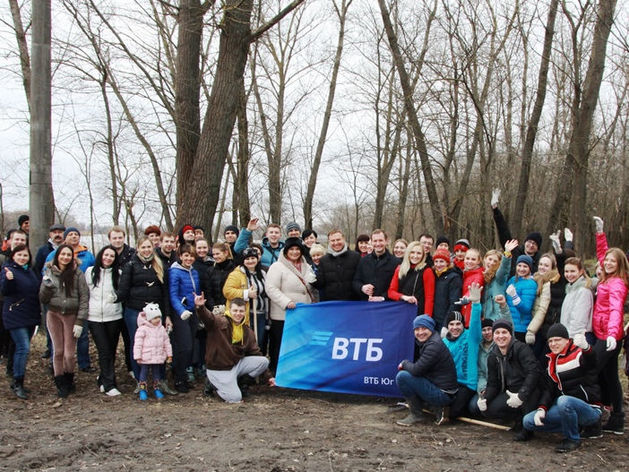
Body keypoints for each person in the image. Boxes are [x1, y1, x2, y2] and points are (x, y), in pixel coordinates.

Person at [523, 324, 602, 451]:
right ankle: (574, 426)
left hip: (589, 409)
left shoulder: (578, 353)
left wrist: (587, 348)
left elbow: (592, 362)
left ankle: (572, 439)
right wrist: (542, 409)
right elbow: (549, 389)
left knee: (564, 400)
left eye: (557, 340)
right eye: (550, 341)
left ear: (567, 340)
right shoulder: (551, 361)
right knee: (528, 421)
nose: (553, 344)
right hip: (565, 409)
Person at [196, 295, 275, 403]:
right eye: (235, 310)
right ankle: (212, 383)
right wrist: (201, 307)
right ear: (229, 310)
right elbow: (208, 318)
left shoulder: (247, 331)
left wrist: (268, 377)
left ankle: (241, 383)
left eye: (241, 311)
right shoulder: (219, 322)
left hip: (235, 365)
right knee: (235, 398)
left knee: (263, 361)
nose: (238, 314)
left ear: (245, 312)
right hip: (219, 368)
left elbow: (256, 353)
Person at [591, 216, 628, 434]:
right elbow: (602, 255)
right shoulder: (607, 276)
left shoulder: (617, 284)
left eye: (613, 261)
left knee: (591, 372)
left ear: (620, 264)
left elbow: (616, 310)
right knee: (611, 376)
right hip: (602, 333)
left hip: (608, 336)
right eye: (607, 260)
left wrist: (613, 334)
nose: (607, 263)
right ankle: (618, 418)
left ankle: (593, 418)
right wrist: (600, 234)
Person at [117, 237, 170, 386]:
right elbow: (124, 290)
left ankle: (158, 380)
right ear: (138, 248)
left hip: (156, 312)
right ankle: (140, 380)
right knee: (137, 344)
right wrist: (114, 298)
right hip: (135, 311)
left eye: (149, 247)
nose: (146, 250)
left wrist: (167, 315)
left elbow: (165, 292)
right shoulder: (130, 266)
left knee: (158, 343)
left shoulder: (159, 265)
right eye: (143, 247)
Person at [476, 318, 540, 440]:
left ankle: (527, 428)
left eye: (504, 332)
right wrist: (485, 398)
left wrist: (522, 395)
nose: (501, 336)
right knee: (487, 409)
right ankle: (517, 419)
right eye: (497, 333)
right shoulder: (493, 356)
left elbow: (533, 373)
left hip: (529, 390)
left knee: (530, 407)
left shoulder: (522, 349)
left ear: (511, 334)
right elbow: (493, 384)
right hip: (510, 392)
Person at [40, 244, 89, 398]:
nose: (65, 257)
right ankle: (60, 381)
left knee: (69, 354)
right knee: (58, 351)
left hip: (71, 316)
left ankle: (69, 377)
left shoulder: (77, 274)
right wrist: (46, 287)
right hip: (54, 314)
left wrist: (80, 321)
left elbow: (84, 299)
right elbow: (42, 298)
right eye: (63, 254)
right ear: (57, 255)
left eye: (68, 255)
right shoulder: (49, 272)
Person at [44, 226, 95, 372]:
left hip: (78, 301)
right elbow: (46, 275)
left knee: (81, 336)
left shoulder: (87, 255)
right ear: (66, 238)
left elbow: (93, 272)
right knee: (58, 341)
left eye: (76, 234)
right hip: (57, 303)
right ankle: (55, 366)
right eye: (70, 234)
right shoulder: (54, 254)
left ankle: (83, 364)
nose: (74, 236)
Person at [395, 314, 458, 426]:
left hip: (444, 394)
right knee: (410, 377)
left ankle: (417, 415)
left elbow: (416, 370)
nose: (420, 332)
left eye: (424, 328)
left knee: (402, 377)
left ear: (431, 329)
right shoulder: (431, 340)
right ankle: (437, 408)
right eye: (417, 329)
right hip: (442, 388)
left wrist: (404, 363)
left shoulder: (433, 346)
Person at [266, 237, 316, 374]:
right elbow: (270, 288)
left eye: (297, 249)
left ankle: (296, 370)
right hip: (283, 314)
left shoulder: (307, 266)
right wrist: (286, 302)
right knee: (280, 344)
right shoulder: (277, 267)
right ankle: (277, 371)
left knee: (299, 343)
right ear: (286, 251)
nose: (294, 252)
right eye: (291, 249)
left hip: (302, 313)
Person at [0, 245, 40, 399]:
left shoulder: (29, 271)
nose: (23, 257)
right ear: (13, 256)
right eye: (20, 255)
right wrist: (8, 281)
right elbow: (5, 291)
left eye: (25, 255)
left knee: (21, 348)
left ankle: (18, 378)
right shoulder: (8, 270)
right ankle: (18, 382)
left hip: (30, 315)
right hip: (15, 315)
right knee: (23, 347)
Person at [85, 245, 123, 396]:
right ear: (101, 255)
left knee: (111, 350)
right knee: (104, 350)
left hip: (113, 316)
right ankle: (109, 384)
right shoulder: (90, 272)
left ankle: (102, 378)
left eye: (112, 256)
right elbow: (84, 293)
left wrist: (115, 299)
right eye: (106, 255)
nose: (108, 258)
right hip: (95, 318)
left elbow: (121, 292)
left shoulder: (118, 274)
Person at [443, 283, 483, 420]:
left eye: (458, 324)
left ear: (463, 324)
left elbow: (476, 323)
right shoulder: (444, 342)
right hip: (450, 384)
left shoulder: (471, 337)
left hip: (467, 385)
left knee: (453, 414)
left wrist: (476, 303)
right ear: (447, 326)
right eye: (452, 324)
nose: (455, 327)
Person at [168, 243, 201, 393]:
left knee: (191, 346)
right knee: (184, 346)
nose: (189, 258)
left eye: (191, 256)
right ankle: (179, 378)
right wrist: (181, 310)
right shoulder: (175, 272)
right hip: (180, 313)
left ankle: (183, 376)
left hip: (193, 311)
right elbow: (173, 295)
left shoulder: (194, 272)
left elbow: (196, 292)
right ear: (180, 256)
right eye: (186, 255)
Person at [223, 247, 269, 352]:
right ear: (243, 261)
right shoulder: (236, 274)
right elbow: (227, 291)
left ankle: (257, 362)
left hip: (261, 313)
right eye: (247, 259)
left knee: (259, 341)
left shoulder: (262, 273)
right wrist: (246, 293)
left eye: (253, 258)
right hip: (246, 314)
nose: (250, 261)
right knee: (246, 341)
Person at [491, 189, 542, 276]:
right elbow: (503, 231)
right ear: (525, 242)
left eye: (535, 244)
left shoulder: (540, 261)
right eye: (529, 242)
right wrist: (495, 210)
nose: (531, 245)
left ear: (538, 248)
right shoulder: (514, 250)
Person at [527, 252, 564, 359]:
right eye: (541, 264)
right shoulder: (535, 279)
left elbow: (542, 309)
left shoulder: (549, 284)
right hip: (533, 322)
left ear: (552, 267)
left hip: (541, 327)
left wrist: (531, 330)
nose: (542, 267)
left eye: (546, 265)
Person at [133, 303, 173, 400]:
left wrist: (169, 354)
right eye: (155, 318)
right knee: (143, 373)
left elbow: (166, 342)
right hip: (145, 357)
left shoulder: (161, 329)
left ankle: (157, 388)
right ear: (149, 318)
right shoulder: (142, 329)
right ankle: (142, 389)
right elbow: (138, 344)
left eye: (159, 317)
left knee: (157, 373)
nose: (158, 320)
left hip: (157, 356)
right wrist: (137, 356)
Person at [387, 241, 435, 315]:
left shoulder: (427, 271)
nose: (415, 256)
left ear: (423, 256)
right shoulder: (400, 269)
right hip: (400, 310)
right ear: (408, 253)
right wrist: (404, 297)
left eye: (419, 253)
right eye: (412, 252)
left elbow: (429, 298)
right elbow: (391, 292)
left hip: (418, 312)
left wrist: (426, 319)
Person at [313, 230, 360, 301]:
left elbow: (360, 279)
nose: (336, 243)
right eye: (332, 240)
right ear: (329, 242)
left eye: (338, 239)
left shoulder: (355, 257)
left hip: (352, 302)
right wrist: (311, 278)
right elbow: (320, 284)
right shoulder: (323, 260)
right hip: (332, 303)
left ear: (343, 239)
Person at [353, 229, 399, 301]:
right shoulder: (363, 261)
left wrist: (383, 297)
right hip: (366, 304)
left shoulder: (396, 262)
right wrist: (362, 287)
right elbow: (356, 281)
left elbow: (399, 287)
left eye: (380, 240)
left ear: (386, 241)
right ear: (371, 242)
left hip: (387, 305)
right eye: (375, 241)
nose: (378, 244)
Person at [560, 257, 593, 342]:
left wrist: (569, 339)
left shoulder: (583, 291)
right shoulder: (570, 289)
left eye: (572, 271)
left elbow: (579, 320)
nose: (569, 274)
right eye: (566, 271)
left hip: (577, 338)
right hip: (567, 336)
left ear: (581, 271)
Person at [482, 240, 517, 321]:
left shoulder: (499, 278)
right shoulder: (480, 277)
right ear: (485, 259)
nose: (491, 263)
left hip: (497, 319)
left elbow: (504, 268)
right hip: (483, 320)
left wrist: (507, 253)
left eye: (495, 261)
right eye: (490, 259)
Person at [505, 255, 538, 342]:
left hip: (520, 327)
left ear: (530, 268)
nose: (521, 269)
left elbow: (526, 309)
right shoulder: (512, 280)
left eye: (525, 266)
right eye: (519, 266)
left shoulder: (531, 284)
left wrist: (514, 296)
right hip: (509, 324)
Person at [432, 248, 462, 331]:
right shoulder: (434, 275)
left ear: (447, 263)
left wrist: (446, 324)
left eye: (441, 261)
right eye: (436, 261)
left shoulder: (454, 278)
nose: (438, 264)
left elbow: (454, 303)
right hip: (434, 319)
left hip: (444, 321)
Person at [460, 248, 484, 326]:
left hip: (471, 314)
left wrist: (466, 298)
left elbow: (474, 288)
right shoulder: (466, 274)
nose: (469, 261)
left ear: (478, 261)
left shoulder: (479, 275)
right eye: (467, 258)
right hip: (465, 311)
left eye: (473, 259)